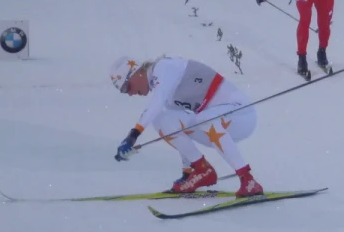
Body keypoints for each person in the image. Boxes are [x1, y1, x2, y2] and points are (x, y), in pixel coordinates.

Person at [110, 55, 264, 196]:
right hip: (217, 125)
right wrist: (187, 171)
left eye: (126, 87)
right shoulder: (168, 95)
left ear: (136, 73)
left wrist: (133, 134)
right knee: (163, 121)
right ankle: (201, 170)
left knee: (204, 118)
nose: (129, 93)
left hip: (241, 115)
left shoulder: (164, 67)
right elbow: (177, 128)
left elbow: (156, 103)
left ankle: (248, 180)